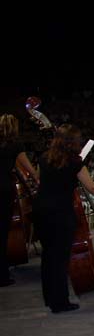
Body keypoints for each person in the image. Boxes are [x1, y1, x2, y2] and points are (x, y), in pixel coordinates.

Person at [33, 124, 94, 313]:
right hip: (61, 212)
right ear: (72, 142)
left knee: (48, 256)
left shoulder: (43, 158)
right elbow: (92, 188)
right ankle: (60, 302)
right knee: (60, 258)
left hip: (41, 210)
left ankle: (50, 298)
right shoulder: (74, 162)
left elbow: (40, 182)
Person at [0, 114, 39, 287]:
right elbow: (29, 170)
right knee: (2, 232)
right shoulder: (16, 145)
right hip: (4, 190)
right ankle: (2, 275)